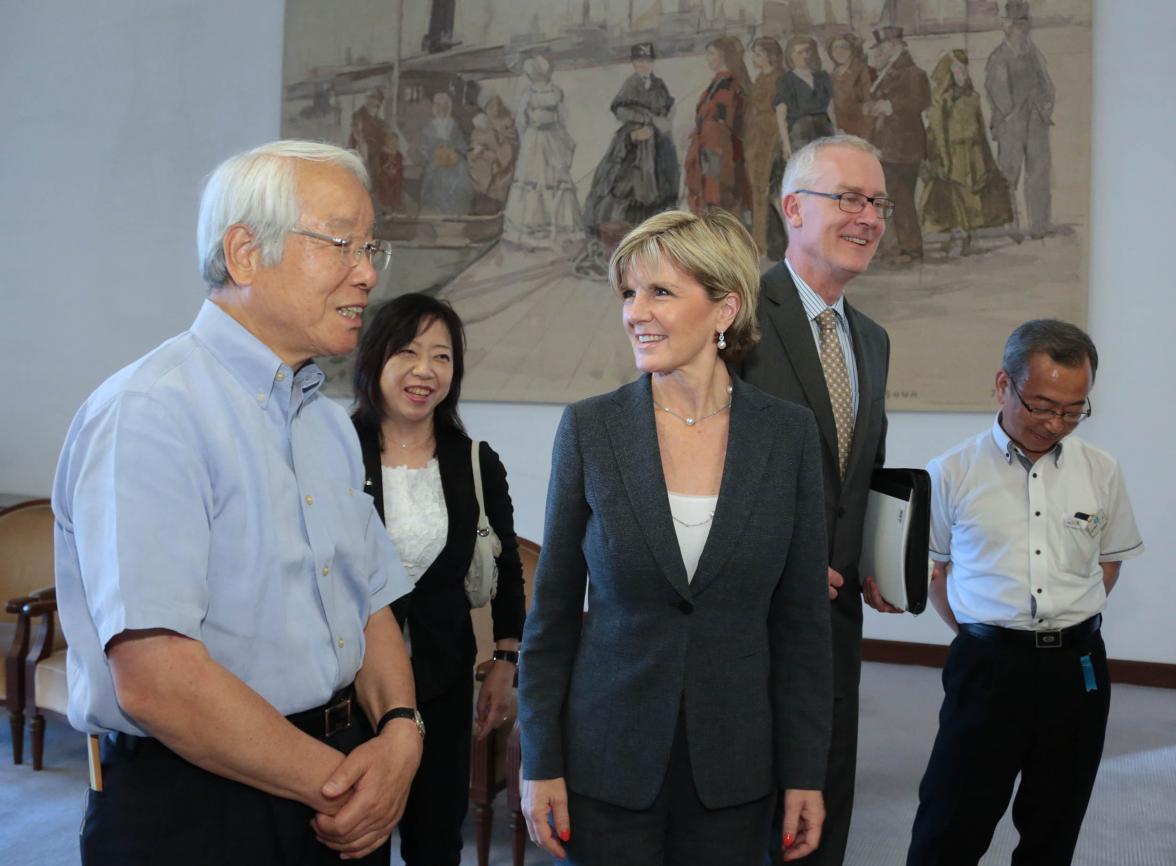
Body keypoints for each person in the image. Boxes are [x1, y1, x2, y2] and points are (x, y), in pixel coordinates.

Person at [53, 140, 424, 864]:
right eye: (343, 244)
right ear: (246, 252)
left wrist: (403, 731)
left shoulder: (324, 420)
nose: (368, 273)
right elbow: (158, 679)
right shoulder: (151, 412)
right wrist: (346, 788)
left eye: (372, 246)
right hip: (200, 806)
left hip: (341, 777)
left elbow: (368, 601)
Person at [519, 209, 833, 866]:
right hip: (607, 762)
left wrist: (805, 772)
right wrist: (538, 760)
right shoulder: (590, 431)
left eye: (660, 291)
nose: (636, 311)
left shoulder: (788, 437)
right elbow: (549, 619)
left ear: (725, 309)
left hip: (737, 767)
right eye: (629, 293)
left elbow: (802, 627)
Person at [907, 320, 1144, 866]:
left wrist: (1062, 621)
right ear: (1002, 386)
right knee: (951, 820)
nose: (1055, 423)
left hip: (1078, 668)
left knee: (1054, 822)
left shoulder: (1102, 471)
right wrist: (985, 635)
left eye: (1073, 409)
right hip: (987, 667)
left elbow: (1108, 563)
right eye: (1041, 405)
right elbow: (938, 572)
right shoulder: (952, 472)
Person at [741, 134, 903, 866]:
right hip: (744, 620)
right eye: (849, 199)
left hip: (833, 625)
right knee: (746, 810)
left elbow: (859, 470)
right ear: (793, 209)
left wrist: (878, 554)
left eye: (877, 202)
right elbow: (701, 465)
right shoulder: (736, 316)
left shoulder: (872, 339)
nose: (868, 217)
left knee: (821, 805)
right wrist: (778, 559)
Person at [351, 293, 526, 866]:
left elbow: (503, 569)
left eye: (442, 357)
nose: (425, 371)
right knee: (356, 838)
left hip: (443, 683)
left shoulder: (473, 459)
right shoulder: (334, 452)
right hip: (348, 688)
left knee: (435, 841)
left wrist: (504, 659)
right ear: (375, 359)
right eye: (407, 352)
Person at [582, 42, 679, 247]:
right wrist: (644, 122)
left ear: (653, 62)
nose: (643, 65)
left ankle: (654, 235)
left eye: (647, 61)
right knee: (628, 186)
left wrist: (665, 121)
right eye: (639, 62)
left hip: (658, 144)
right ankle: (624, 235)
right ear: (634, 64)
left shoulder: (659, 84)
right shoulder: (631, 84)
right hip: (634, 142)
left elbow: (670, 106)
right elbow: (619, 109)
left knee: (661, 183)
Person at [920, 50, 1013, 257]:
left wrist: (987, 159)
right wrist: (943, 158)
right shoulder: (940, 100)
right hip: (951, 155)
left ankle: (965, 235)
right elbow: (937, 132)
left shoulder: (973, 97)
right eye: (957, 70)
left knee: (972, 197)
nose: (962, 74)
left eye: (964, 70)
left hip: (974, 154)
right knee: (954, 198)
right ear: (949, 73)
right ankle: (958, 235)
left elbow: (980, 129)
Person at [985, 0, 1055, 240]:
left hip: (1036, 122)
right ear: (1007, 28)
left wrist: (1044, 107)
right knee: (1009, 175)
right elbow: (998, 93)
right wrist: (1010, 115)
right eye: (1017, 27)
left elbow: (1047, 86)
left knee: (1039, 173)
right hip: (1011, 125)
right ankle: (1011, 226)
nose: (1021, 31)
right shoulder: (999, 57)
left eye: (1025, 27)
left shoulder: (1033, 54)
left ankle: (1039, 226)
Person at [864, 26, 930, 264]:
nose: (878, 53)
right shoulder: (889, 72)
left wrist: (888, 106)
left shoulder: (913, 72)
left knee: (900, 196)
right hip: (890, 144)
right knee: (895, 196)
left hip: (904, 146)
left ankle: (909, 248)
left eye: (881, 47)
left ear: (892, 45)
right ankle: (903, 246)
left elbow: (918, 102)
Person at [503, 55, 582, 250]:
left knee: (546, 180)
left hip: (539, 137)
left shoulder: (531, 93)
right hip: (545, 137)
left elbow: (521, 121)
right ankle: (541, 233)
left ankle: (548, 232)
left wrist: (530, 134)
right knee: (541, 180)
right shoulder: (552, 92)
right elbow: (561, 119)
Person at [684, 36, 752, 217]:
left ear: (723, 55)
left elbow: (728, 120)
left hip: (718, 148)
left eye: (712, 54)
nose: (708, 58)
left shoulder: (730, 83)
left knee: (718, 196)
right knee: (709, 195)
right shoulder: (719, 81)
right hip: (709, 146)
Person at [745, 36, 787, 257]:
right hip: (756, 139)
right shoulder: (760, 78)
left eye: (758, 54)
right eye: (754, 54)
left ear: (770, 56)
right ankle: (761, 242)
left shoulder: (779, 78)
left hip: (771, 137)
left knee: (768, 191)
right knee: (758, 190)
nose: (754, 58)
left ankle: (768, 243)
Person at [775, 35, 835, 156]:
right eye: (800, 52)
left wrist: (836, 132)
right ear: (791, 56)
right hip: (801, 133)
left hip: (824, 130)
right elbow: (781, 117)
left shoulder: (822, 77)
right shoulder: (786, 80)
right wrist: (786, 144)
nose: (805, 56)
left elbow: (830, 109)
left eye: (807, 51)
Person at [348, 87, 404, 214]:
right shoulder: (359, 116)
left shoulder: (379, 121)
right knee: (369, 178)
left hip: (377, 155)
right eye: (370, 98)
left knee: (392, 170)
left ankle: (387, 205)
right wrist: (364, 149)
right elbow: (357, 137)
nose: (373, 102)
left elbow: (384, 139)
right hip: (363, 153)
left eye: (376, 99)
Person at [421, 91, 474, 215]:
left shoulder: (454, 125)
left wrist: (455, 151)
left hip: (454, 162)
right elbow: (424, 148)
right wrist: (434, 156)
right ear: (434, 107)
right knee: (435, 176)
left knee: (461, 172)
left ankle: (457, 209)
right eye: (439, 106)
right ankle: (438, 210)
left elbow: (462, 145)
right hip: (436, 161)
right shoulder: (428, 127)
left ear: (449, 108)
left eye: (445, 106)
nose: (442, 109)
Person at [467, 95, 519, 214]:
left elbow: (510, 144)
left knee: (498, 172)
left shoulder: (507, 122)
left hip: (502, 161)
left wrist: (495, 147)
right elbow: (474, 142)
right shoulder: (482, 121)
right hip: (484, 158)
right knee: (478, 164)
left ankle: (495, 203)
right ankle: (481, 199)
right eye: (491, 106)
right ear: (486, 108)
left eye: (497, 105)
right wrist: (479, 149)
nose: (495, 108)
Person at [827, 34, 875, 140]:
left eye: (843, 48)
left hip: (860, 127)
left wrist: (865, 135)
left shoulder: (862, 70)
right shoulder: (833, 74)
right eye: (835, 48)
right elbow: (831, 105)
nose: (839, 52)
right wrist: (836, 128)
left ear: (852, 50)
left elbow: (869, 102)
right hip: (841, 129)